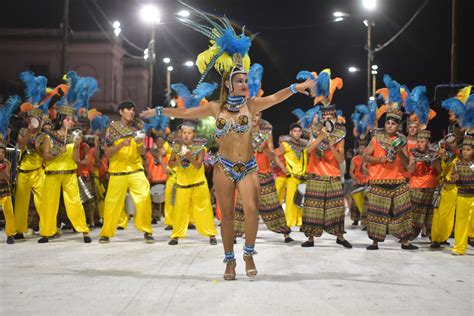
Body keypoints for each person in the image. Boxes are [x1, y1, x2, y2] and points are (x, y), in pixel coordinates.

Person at [141, 4, 314, 280]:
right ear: (229, 84)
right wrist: (158, 112)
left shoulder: (252, 105)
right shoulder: (215, 107)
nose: (245, 83)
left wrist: (298, 87)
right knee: (227, 217)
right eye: (240, 80)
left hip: (247, 166)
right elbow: (185, 113)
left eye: (246, 80)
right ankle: (229, 261)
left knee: (252, 209)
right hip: (223, 167)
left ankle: (248, 254)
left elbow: (278, 97)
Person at [363, 75, 417, 250]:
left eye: (393, 123)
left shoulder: (402, 140)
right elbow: (365, 156)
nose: (390, 125)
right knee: (377, 213)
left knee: (404, 211)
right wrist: (379, 159)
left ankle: (405, 241)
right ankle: (375, 241)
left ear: (398, 126)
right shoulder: (376, 138)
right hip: (379, 180)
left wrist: (401, 153)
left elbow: (407, 162)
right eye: (388, 122)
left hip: (399, 180)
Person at [299, 69, 352, 248]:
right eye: (325, 115)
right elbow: (307, 151)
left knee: (335, 209)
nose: (327, 118)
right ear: (321, 116)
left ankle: (340, 236)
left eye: (331, 116)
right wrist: (321, 137)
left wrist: (330, 143)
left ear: (335, 117)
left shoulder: (340, 132)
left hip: (332, 175)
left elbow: (340, 158)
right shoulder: (314, 129)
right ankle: (310, 238)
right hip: (315, 173)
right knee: (313, 209)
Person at [38, 90, 92, 243]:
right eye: (68, 119)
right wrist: (57, 153)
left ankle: (83, 230)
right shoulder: (50, 136)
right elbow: (45, 157)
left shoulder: (73, 137)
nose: (71, 122)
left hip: (69, 173)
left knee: (74, 201)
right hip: (52, 173)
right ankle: (47, 232)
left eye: (72, 120)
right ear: (61, 120)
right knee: (49, 203)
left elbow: (75, 159)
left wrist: (76, 146)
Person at [98, 100, 154, 243]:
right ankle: (106, 233)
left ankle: (146, 230)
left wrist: (140, 142)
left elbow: (142, 152)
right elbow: (108, 153)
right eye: (128, 109)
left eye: (133, 110)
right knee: (111, 203)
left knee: (144, 197)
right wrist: (121, 144)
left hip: (136, 169)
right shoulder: (112, 129)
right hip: (118, 171)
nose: (132, 112)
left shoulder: (139, 127)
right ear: (121, 112)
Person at [234, 111, 292, 243]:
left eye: (257, 115)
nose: (254, 117)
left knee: (272, 205)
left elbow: (272, 156)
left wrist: (264, 149)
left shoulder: (266, 131)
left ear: (260, 116)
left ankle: (285, 233)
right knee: (242, 206)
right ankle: (235, 234)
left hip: (264, 173)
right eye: (252, 114)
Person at [167, 121, 217, 245]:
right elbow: (170, 163)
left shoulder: (200, 147)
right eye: (184, 133)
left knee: (204, 209)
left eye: (189, 133)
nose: (186, 135)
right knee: (179, 211)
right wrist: (178, 161)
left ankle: (211, 234)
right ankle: (176, 235)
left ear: (193, 134)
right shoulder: (177, 147)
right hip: (182, 185)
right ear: (181, 134)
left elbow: (198, 165)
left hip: (198, 184)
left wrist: (189, 157)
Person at [407, 130, 440, 239]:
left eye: (422, 142)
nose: (419, 144)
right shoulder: (413, 153)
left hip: (431, 187)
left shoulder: (434, 154)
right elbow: (410, 170)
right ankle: (409, 236)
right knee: (415, 214)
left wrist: (435, 162)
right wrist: (413, 161)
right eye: (418, 142)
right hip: (416, 187)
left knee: (431, 215)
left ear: (427, 143)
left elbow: (440, 171)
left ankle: (434, 237)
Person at [275, 124, 308, 228]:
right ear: (290, 132)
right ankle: (288, 224)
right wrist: (283, 168)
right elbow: (275, 155)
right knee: (290, 201)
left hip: (304, 178)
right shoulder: (286, 144)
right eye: (295, 131)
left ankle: (301, 223)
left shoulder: (306, 144)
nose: (297, 133)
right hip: (292, 177)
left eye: (299, 131)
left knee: (302, 202)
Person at [450, 134, 474, 255]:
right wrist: (455, 177)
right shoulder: (457, 163)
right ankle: (459, 248)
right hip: (462, 196)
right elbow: (452, 176)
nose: (465, 152)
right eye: (464, 149)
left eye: (468, 150)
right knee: (461, 223)